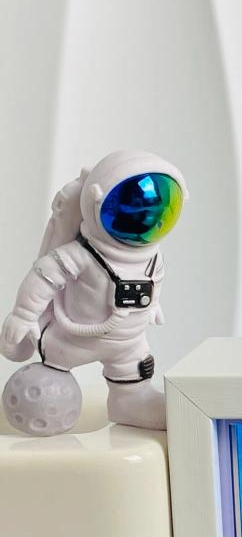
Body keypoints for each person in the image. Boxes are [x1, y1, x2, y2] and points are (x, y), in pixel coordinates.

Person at [0, 150, 187, 430]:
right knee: (48, 383)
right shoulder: (83, 254)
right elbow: (44, 276)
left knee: (135, 372)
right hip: (72, 340)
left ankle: (130, 401)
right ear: (95, 200)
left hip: (129, 343)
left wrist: (152, 305)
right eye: (133, 208)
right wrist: (24, 315)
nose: (146, 217)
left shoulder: (151, 257)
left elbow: (154, 281)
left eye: (156, 211)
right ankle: (45, 404)